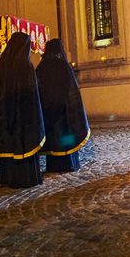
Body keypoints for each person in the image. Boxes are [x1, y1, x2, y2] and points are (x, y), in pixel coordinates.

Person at [0, 31, 44, 188]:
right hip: (24, 121)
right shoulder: (25, 67)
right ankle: (25, 178)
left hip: (4, 120)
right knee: (23, 148)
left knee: (8, 148)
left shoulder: (1, 66)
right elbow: (32, 96)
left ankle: (7, 177)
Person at [36, 38, 90, 172]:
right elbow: (71, 90)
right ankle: (68, 163)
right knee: (66, 138)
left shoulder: (41, 67)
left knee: (53, 140)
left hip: (48, 112)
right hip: (64, 113)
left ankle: (53, 165)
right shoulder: (64, 66)